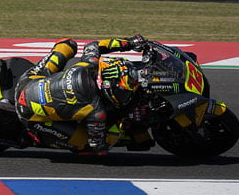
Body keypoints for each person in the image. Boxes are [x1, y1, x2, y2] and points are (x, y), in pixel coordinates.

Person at [14, 34, 149, 154]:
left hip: (28, 81)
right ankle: (39, 136)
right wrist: (122, 123)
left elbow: (94, 45)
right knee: (86, 145)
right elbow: (98, 145)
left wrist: (129, 43)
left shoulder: (90, 63)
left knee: (67, 44)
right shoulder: (96, 111)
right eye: (123, 92)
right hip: (28, 114)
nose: (126, 95)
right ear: (106, 88)